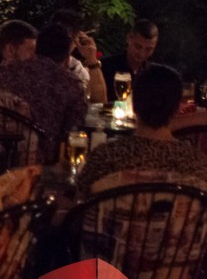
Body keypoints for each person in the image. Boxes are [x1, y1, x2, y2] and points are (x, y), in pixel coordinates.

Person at [78, 64, 207, 194]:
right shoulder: (197, 165)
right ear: (177, 110)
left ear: (133, 105)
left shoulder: (105, 158)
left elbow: (80, 198)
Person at [0, 24, 88, 160]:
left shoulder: (1, 73)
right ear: (67, 58)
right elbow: (75, 131)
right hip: (43, 163)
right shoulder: (71, 84)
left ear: (37, 48)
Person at [49, 9, 107, 103]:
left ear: (77, 40)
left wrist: (91, 59)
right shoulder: (36, 63)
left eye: (70, 38)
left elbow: (99, 102)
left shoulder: (75, 67)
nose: (62, 42)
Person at [101, 19, 160, 102]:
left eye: (148, 49)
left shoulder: (154, 74)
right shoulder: (107, 66)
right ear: (128, 39)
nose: (142, 53)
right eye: (138, 47)